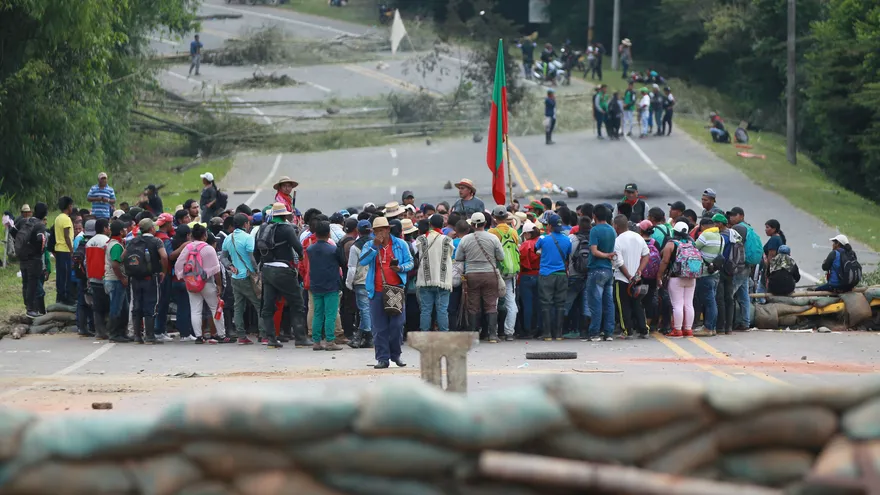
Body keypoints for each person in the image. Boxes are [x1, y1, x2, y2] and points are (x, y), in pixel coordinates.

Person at [359, 216, 413, 369]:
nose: (379, 233)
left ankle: (396, 355)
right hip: (376, 291)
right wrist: (374, 247)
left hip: (395, 290)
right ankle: (382, 358)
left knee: (397, 324)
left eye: (381, 230)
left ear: (388, 230)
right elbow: (362, 261)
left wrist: (400, 268)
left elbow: (410, 262)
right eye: (376, 231)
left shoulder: (400, 244)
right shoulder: (370, 245)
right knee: (379, 327)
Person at [259, 203, 307, 349]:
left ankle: (271, 339)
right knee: (297, 303)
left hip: (267, 269)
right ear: (285, 216)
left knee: (268, 306)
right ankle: (300, 339)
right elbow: (298, 247)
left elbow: (257, 250)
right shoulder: (287, 229)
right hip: (283, 270)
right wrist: (301, 257)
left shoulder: (263, 228)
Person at [456, 212, 504, 342]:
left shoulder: (465, 239)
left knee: (473, 305)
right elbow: (501, 257)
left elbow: (458, 257)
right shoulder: (493, 238)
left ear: (471, 225)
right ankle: (492, 335)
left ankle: (473, 335)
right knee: (491, 304)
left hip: (472, 275)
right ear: (485, 223)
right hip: (490, 275)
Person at [176, 223, 228, 344]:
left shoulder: (188, 248)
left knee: (195, 310)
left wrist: (185, 277)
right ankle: (221, 335)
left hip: (191, 283)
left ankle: (199, 336)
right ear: (205, 236)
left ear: (192, 236)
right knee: (215, 308)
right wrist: (219, 285)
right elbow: (216, 270)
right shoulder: (209, 249)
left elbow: (179, 264)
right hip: (207, 282)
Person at [221, 213, 266, 345]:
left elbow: (223, 257)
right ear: (246, 224)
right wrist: (257, 271)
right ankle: (263, 335)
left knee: (238, 307)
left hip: (235, 277)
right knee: (259, 305)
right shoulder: (248, 237)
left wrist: (230, 266)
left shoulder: (228, 238)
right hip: (248, 276)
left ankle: (241, 336)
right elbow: (251, 258)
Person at [124, 218, 170, 344]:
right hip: (151, 278)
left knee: (137, 305)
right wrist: (163, 271)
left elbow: (123, 256)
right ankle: (149, 336)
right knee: (151, 305)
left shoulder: (133, 241)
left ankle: (137, 336)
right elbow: (164, 256)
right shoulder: (156, 241)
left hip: (135, 278)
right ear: (151, 229)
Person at [657, 222, 699, 337]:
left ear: (674, 231)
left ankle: (677, 330)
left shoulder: (671, 244)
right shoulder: (692, 243)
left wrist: (659, 275)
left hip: (676, 277)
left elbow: (665, 261)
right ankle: (688, 329)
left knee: (677, 304)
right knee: (688, 304)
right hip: (691, 277)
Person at [612, 214, 650, 339]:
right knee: (637, 304)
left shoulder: (617, 241)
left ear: (616, 226)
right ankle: (643, 330)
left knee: (623, 306)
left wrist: (629, 277)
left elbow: (619, 263)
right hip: (637, 279)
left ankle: (627, 331)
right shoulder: (638, 237)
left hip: (622, 279)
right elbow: (646, 255)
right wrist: (639, 271)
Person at [307, 220, 344, 351]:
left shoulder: (310, 249)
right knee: (330, 314)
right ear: (329, 234)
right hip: (331, 285)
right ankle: (330, 341)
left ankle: (316, 342)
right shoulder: (333, 249)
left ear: (315, 234)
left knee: (318, 313)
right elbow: (342, 263)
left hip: (316, 285)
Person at [415, 214, 454, 332]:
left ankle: (424, 334)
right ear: (443, 224)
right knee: (442, 310)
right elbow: (450, 255)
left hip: (425, 280)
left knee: (426, 310)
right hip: (443, 280)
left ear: (430, 224)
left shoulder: (421, 239)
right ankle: (444, 335)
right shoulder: (447, 240)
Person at [535, 213, 571, 341]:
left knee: (546, 303)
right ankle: (559, 334)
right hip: (561, 274)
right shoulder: (567, 240)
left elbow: (535, 249)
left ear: (549, 226)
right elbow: (567, 255)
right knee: (560, 304)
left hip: (546, 275)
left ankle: (547, 334)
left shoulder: (543, 239)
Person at [586, 204, 617, 341]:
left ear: (594, 216)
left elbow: (594, 251)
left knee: (595, 303)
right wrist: (609, 256)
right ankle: (609, 332)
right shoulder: (612, 230)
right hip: (608, 270)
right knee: (609, 303)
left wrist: (606, 255)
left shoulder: (595, 230)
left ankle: (594, 332)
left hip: (596, 269)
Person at [489, 206, 520, 340]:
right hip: (511, 271)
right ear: (507, 217)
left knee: (494, 302)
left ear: (494, 218)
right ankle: (509, 332)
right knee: (510, 302)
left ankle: (494, 331)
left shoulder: (492, 232)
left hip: (497, 270)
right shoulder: (513, 232)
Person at [346, 220, 374, 349]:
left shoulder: (355, 247)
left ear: (358, 231)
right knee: (367, 310)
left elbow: (352, 268)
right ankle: (360, 336)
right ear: (370, 230)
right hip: (374, 280)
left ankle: (368, 336)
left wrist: (349, 283)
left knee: (364, 309)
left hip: (361, 281)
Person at [103, 220, 132, 343]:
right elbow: (115, 265)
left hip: (114, 279)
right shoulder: (116, 246)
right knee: (116, 307)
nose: (126, 231)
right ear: (120, 231)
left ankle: (122, 332)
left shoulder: (114, 243)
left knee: (124, 308)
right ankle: (114, 333)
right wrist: (122, 278)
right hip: (115, 280)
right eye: (124, 229)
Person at [694, 216, 723, 336]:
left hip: (705, 273)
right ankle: (712, 328)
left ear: (703, 226)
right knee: (712, 300)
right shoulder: (720, 237)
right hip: (715, 273)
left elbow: (694, 248)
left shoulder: (705, 235)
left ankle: (708, 328)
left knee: (709, 302)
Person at [19, 203, 49, 318]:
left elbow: (13, 231)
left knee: (25, 282)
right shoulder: (40, 225)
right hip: (34, 258)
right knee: (33, 283)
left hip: (23, 257)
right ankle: (31, 309)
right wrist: (39, 251)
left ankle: (28, 306)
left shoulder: (25, 221)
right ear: (45, 213)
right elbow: (40, 239)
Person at [517, 220, 541, 339]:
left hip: (526, 276)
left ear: (527, 233)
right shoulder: (541, 241)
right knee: (538, 304)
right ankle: (537, 328)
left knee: (527, 305)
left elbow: (520, 260)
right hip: (539, 274)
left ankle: (527, 330)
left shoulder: (525, 245)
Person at [54, 196, 75, 305]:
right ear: (69, 206)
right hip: (65, 250)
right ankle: (66, 297)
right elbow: (66, 236)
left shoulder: (58, 218)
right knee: (67, 275)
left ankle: (60, 295)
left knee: (60, 275)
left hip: (58, 249)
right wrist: (71, 250)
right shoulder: (66, 219)